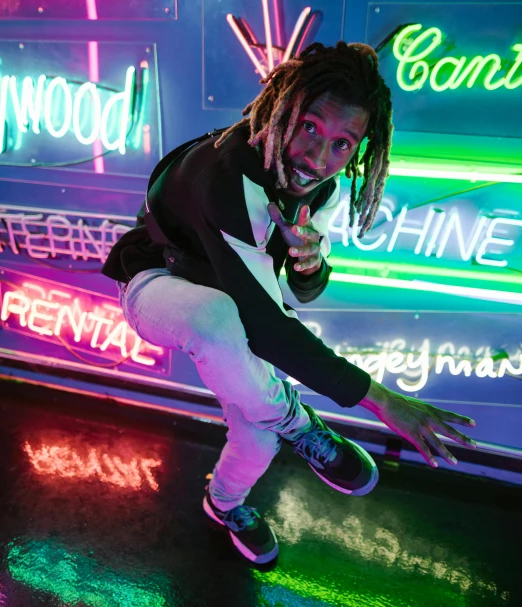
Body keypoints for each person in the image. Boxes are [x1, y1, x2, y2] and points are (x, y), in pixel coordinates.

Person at [102, 41, 477, 566]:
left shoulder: (318, 186)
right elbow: (264, 323)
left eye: (343, 143)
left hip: (238, 300)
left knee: (257, 435)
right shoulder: (229, 172)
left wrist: (309, 263)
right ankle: (300, 425)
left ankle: (224, 503)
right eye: (309, 128)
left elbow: (303, 293)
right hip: (159, 282)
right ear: (283, 109)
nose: (320, 158)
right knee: (220, 321)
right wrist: (383, 401)